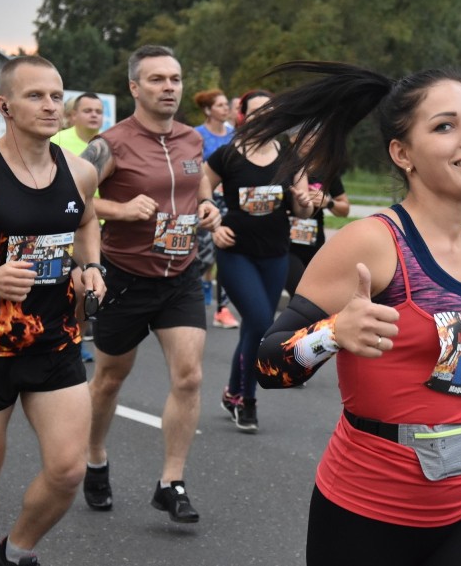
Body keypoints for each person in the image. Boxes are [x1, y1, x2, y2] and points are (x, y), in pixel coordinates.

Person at [246, 61, 461, 566]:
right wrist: (333, 332)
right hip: (367, 515)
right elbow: (268, 365)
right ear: (402, 154)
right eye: (444, 126)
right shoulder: (375, 242)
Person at [0, 55, 104, 566]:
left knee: (68, 471)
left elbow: (86, 223)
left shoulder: (80, 171)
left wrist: (92, 267)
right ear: (5, 106)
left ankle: (14, 552)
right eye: (35, 95)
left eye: (56, 95)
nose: (49, 105)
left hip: (55, 340)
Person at [78, 45, 221, 524]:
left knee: (190, 375)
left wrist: (207, 205)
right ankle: (95, 458)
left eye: (175, 79)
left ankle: (171, 482)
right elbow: (70, 201)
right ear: (135, 88)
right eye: (157, 79)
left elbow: (197, 179)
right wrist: (119, 209)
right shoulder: (110, 143)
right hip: (125, 278)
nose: (169, 88)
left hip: (179, 277)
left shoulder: (190, 139)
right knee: (109, 380)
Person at [203, 89, 313, 433]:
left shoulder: (289, 156)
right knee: (261, 319)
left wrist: (305, 202)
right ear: (243, 117)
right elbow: (201, 191)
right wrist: (214, 224)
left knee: (256, 326)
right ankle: (247, 400)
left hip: (276, 253)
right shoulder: (227, 155)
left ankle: (232, 392)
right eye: (255, 113)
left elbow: (302, 207)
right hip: (236, 252)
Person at [51, 92, 106, 364]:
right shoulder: (58, 141)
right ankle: (67, 335)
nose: (94, 115)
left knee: (89, 291)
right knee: (79, 288)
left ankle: (77, 335)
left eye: (98, 110)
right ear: (73, 115)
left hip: (98, 228)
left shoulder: (106, 144)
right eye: (88, 110)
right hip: (65, 228)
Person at [192, 88, 239, 329]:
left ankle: (222, 309)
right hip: (205, 202)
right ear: (208, 110)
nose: (225, 109)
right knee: (205, 255)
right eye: (220, 105)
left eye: (226, 105)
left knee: (225, 252)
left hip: (229, 203)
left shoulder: (234, 135)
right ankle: (198, 291)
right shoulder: (196, 135)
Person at [284, 127, 350, 297]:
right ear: (293, 138)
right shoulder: (283, 168)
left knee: (312, 298)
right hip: (287, 245)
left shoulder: (325, 170)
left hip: (314, 243)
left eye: (316, 136)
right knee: (301, 295)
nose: (311, 140)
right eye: (306, 135)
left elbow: (345, 209)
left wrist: (328, 202)